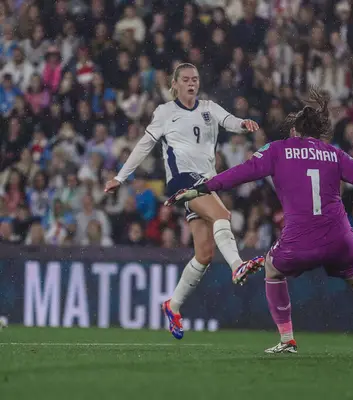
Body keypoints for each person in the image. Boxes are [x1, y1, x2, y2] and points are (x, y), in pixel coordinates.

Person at [167, 90, 353, 355]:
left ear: (294, 130)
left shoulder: (278, 149)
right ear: (320, 133)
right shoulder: (334, 154)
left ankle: (287, 340)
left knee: (272, 269)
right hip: (342, 238)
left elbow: (237, 175)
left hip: (300, 240)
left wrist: (199, 189)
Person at [104, 63, 263, 340]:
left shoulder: (209, 108)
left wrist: (244, 124)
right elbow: (144, 144)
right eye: (186, 79)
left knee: (204, 255)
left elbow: (230, 121)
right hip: (182, 182)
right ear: (174, 84)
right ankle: (237, 265)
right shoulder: (165, 112)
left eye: (195, 79)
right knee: (223, 216)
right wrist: (121, 177)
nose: (192, 83)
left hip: (207, 182)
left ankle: (173, 304)